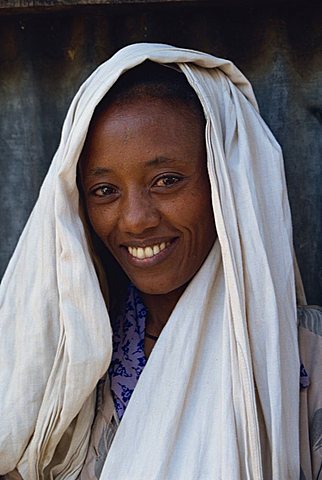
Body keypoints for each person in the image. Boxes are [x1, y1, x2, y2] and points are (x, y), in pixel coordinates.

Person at [0, 43, 321, 480]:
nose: (134, 221)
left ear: (226, 183)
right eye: (104, 190)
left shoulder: (305, 356)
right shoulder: (68, 366)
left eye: (166, 181)